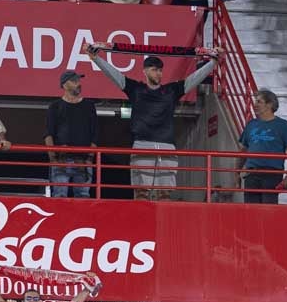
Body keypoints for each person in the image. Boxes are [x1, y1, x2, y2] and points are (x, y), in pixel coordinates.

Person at [87, 43, 217, 200]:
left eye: (160, 70)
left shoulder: (171, 90)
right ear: (145, 71)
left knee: (165, 193)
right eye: (155, 70)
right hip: (142, 144)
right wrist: (95, 59)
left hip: (167, 145)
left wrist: (213, 63)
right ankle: (141, 224)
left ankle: (164, 224)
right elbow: (114, 74)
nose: (158, 74)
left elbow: (194, 79)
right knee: (141, 192)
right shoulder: (135, 89)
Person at [43, 71, 99, 199]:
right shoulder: (55, 106)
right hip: (61, 159)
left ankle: (82, 220)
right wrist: (54, 160)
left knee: (83, 197)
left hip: (83, 160)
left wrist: (89, 159)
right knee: (59, 196)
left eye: (78, 81)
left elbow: (95, 133)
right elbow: (48, 134)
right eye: (74, 81)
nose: (78, 84)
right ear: (64, 85)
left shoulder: (89, 105)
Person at [236, 89, 287, 203]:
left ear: (270, 104)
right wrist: (237, 173)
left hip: (272, 173)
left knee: (268, 209)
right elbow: (243, 151)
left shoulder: (283, 125)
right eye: (256, 101)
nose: (255, 105)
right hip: (252, 173)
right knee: (250, 210)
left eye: (259, 102)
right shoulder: (251, 124)